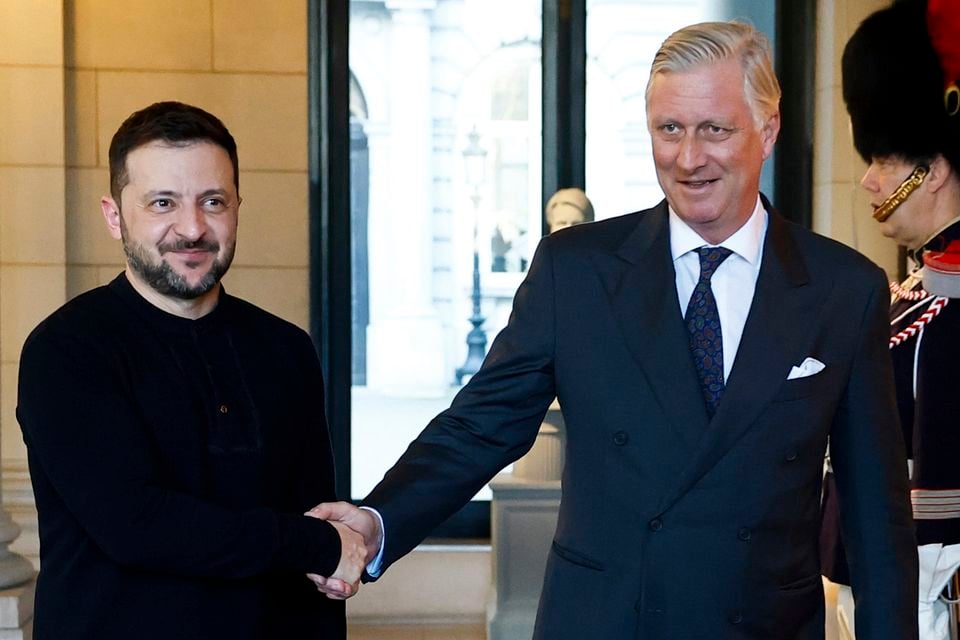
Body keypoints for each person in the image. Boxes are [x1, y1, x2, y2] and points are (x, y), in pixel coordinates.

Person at [314, 20, 918, 638]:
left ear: (767, 130)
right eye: (669, 129)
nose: (688, 158)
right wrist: (378, 519)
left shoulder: (844, 289)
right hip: (606, 620)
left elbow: (876, 515)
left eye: (715, 129)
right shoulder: (576, 272)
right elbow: (479, 427)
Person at [16, 101, 366, 639]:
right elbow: (136, 525)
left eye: (213, 201)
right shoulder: (66, 350)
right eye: (163, 202)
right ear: (114, 216)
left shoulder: (286, 349)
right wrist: (313, 544)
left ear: (237, 208)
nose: (192, 227)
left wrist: (321, 549)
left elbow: (313, 531)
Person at [820, 1, 960, 638]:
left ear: (935, 169)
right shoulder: (919, 292)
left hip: (930, 582)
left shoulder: (951, 304)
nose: (870, 182)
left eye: (883, 160)